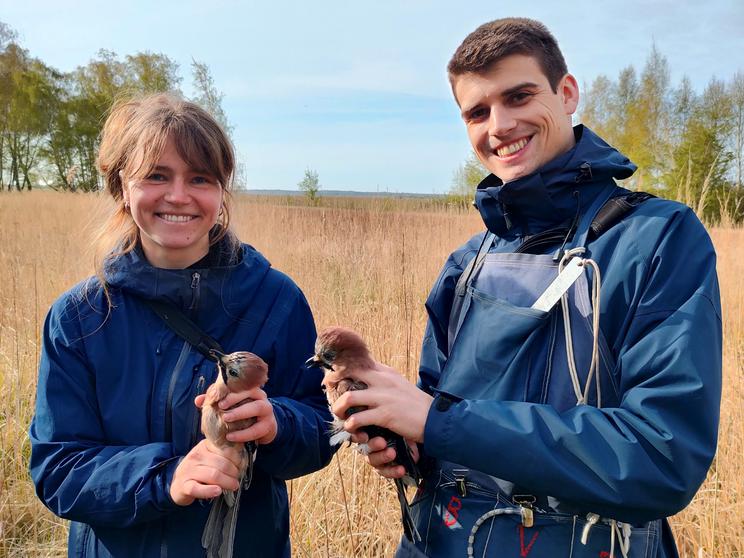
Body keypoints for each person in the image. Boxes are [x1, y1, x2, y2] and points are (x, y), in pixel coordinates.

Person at [330, 18, 722, 558]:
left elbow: (661, 457)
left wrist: (437, 421)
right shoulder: (466, 264)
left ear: (567, 93)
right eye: (477, 112)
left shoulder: (657, 238)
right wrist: (401, 437)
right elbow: (438, 430)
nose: (500, 125)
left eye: (519, 96)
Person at [29, 93, 334, 557]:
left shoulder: (277, 300)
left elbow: (321, 428)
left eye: (200, 178)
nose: (178, 196)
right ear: (121, 186)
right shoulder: (80, 317)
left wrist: (278, 424)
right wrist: (167, 477)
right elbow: (58, 469)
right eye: (156, 176)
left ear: (221, 191)